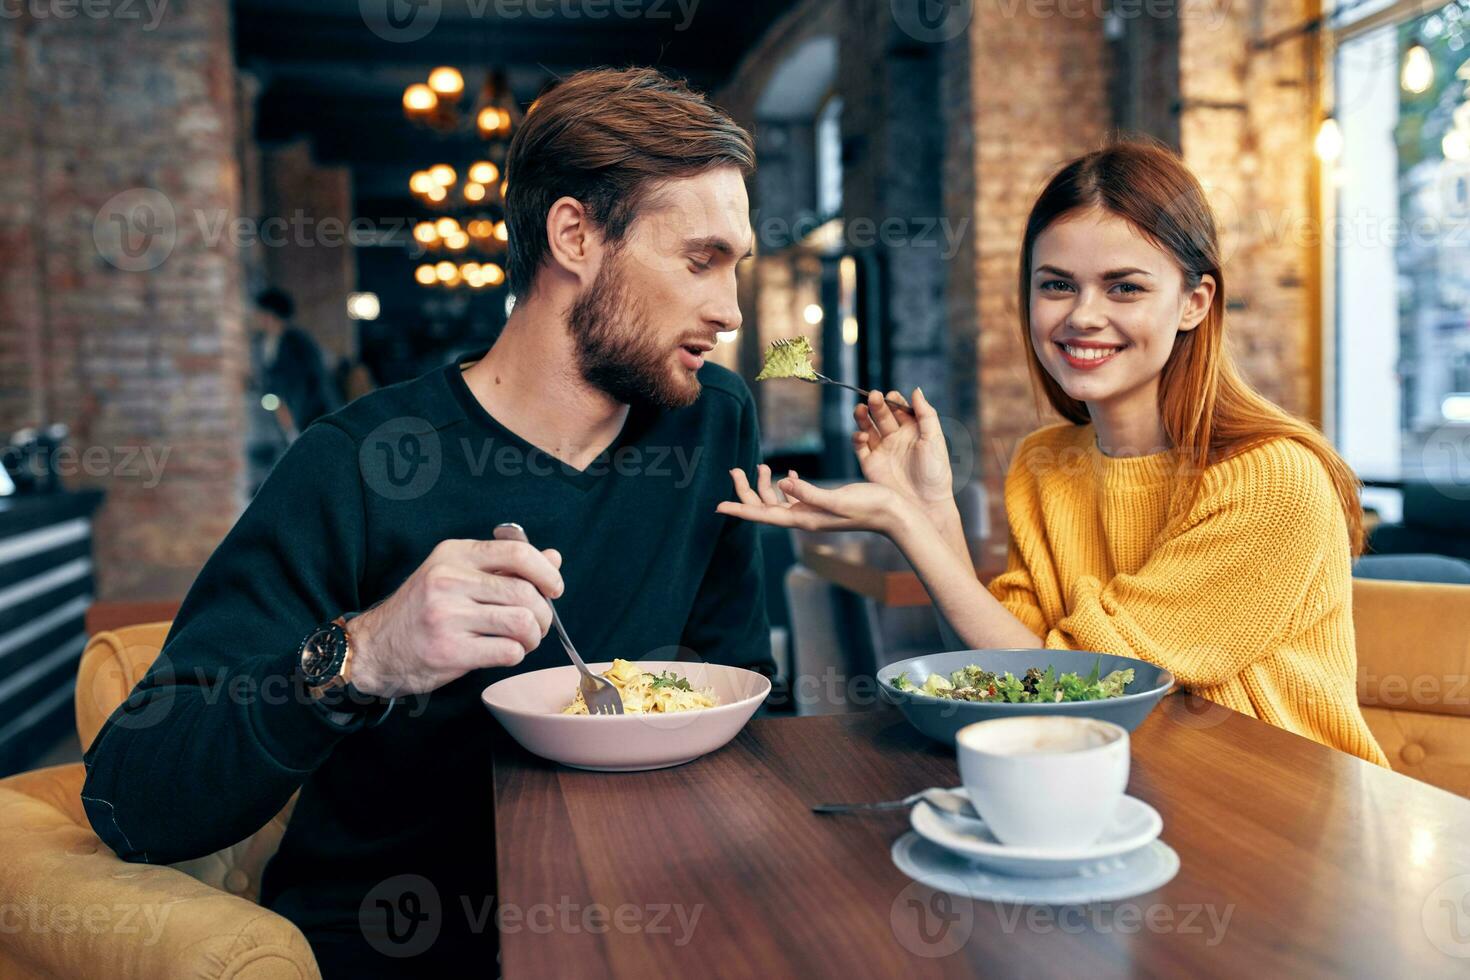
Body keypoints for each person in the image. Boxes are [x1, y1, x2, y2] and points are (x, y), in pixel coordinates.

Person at [81, 67, 770, 976]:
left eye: (737, 267)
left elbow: (744, 683)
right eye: (700, 259)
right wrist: (363, 657)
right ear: (575, 235)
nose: (729, 310)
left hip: (642, 918)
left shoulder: (711, 419)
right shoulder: (357, 462)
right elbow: (134, 796)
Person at [719, 139, 1389, 768]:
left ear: (1194, 302)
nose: (1081, 316)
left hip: (1287, 821)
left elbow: (1066, 687)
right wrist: (930, 508)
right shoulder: (1047, 463)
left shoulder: (1270, 479)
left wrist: (905, 526)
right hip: (1124, 790)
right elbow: (1000, 669)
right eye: (1056, 285)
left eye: (1124, 287)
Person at [253, 286, 340, 440]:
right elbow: (269, 385)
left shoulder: (300, 342)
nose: (256, 317)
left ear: (271, 315)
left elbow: (317, 380)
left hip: (310, 415)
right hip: (282, 420)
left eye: (260, 313)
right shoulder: (262, 343)